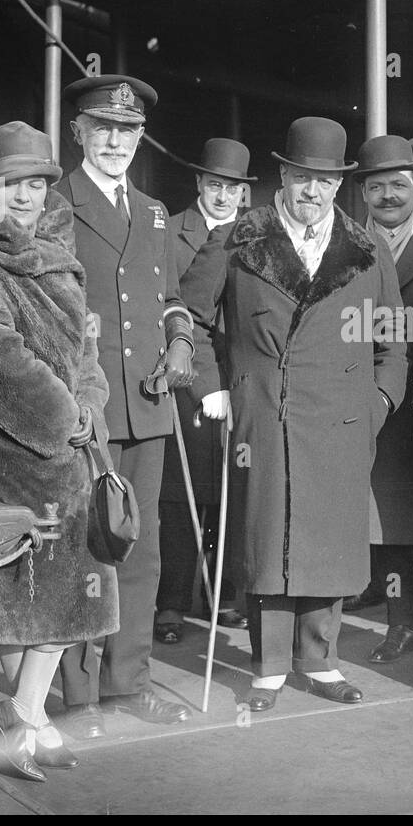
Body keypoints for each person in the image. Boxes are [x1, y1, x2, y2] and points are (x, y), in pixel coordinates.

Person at [185, 117, 407, 711]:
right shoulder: (239, 237)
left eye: (326, 181)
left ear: (341, 185)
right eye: (303, 177)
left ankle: (322, 661)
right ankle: (268, 668)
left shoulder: (366, 247)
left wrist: (379, 402)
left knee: (329, 539)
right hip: (264, 417)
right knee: (269, 536)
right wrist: (212, 387)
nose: (313, 191)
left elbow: (393, 340)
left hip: (341, 419)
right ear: (284, 175)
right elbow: (187, 315)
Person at [0, 121, 114, 782]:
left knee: (57, 593)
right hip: (0, 451)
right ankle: (28, 718)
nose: (26, 198)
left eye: (36, 185)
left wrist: (90, 406)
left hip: (65, 442)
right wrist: (67, 422)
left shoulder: (57, 253)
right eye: (12, 185)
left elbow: (85, 348)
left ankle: (25, 719)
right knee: (33, 592)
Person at [55, 75, 197, 739]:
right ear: (78, 133)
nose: (116, 141)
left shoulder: (155, 211)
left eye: (128, 131)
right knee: (86, 550)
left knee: (140, 550)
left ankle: (127, 687)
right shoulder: (58, 204)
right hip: (88, 408)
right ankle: (78, 698)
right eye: (103, 129)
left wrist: (179, 343)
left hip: (149, 403)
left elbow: (170, 297)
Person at [350, 134, 413, 664]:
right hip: (372, 400)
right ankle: (400, 623)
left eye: (398, 184)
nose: (388, 196)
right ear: (362, 193)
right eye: (376, 187)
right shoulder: (348, 245)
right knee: (385, 522)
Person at [155, 138, 255, 644]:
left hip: (241, 384)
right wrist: (204, 383)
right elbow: (178, 314)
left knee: (233, 491)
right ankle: (171, 603)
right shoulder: (169, 233)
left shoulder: (255, 236)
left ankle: (226, 595)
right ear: (198, 184)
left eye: (233, 188)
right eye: (214, 185)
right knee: (181, 492)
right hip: (189, 385)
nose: (223, 196)